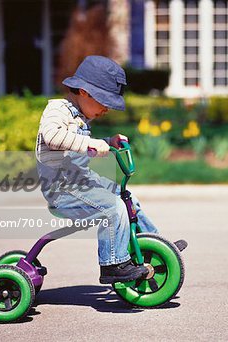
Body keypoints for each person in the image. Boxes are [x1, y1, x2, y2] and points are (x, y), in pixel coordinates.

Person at [35, 56, 187, 284]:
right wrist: (90, 143)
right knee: (112, 207)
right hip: (63, 190)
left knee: (127, 198)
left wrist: (108, 140)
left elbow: (76, 140)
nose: (106, 109)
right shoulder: (57, 109)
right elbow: (53, 136)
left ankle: (155, 244)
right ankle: (113, 265)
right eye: (104, 101)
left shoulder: (82, 116)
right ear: (84, 92)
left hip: (82, 183)